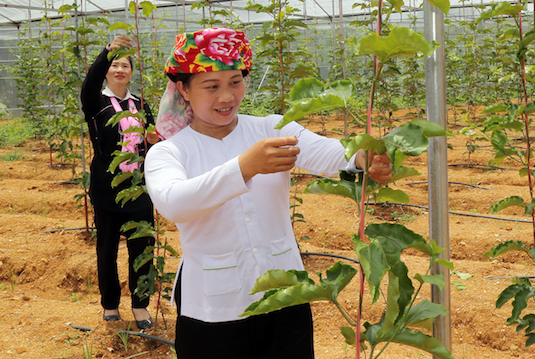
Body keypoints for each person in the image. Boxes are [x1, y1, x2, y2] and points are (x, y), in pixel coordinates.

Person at [143, 27, 393, 358]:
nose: (227, 96)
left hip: (285, 297)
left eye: (235, 82)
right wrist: (244, 166)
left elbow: (332, 154)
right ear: (183, 90)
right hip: (214, 309)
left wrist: (365, 158)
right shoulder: (170, 152)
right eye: (211, 86)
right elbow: (175, 204)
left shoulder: (271, 129)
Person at [81, 35, 159, 329]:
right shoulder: (95, 101)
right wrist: (107, 51)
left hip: (139, 188)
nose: (119, 70)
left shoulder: (140, 104)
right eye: (114, 65)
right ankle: (110, 304)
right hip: (107, 188)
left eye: (125, 65)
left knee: (142, 248)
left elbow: (151, 142)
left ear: (131, 72)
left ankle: (140, 305)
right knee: (107, 248)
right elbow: (89, 83)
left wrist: (154, 140)